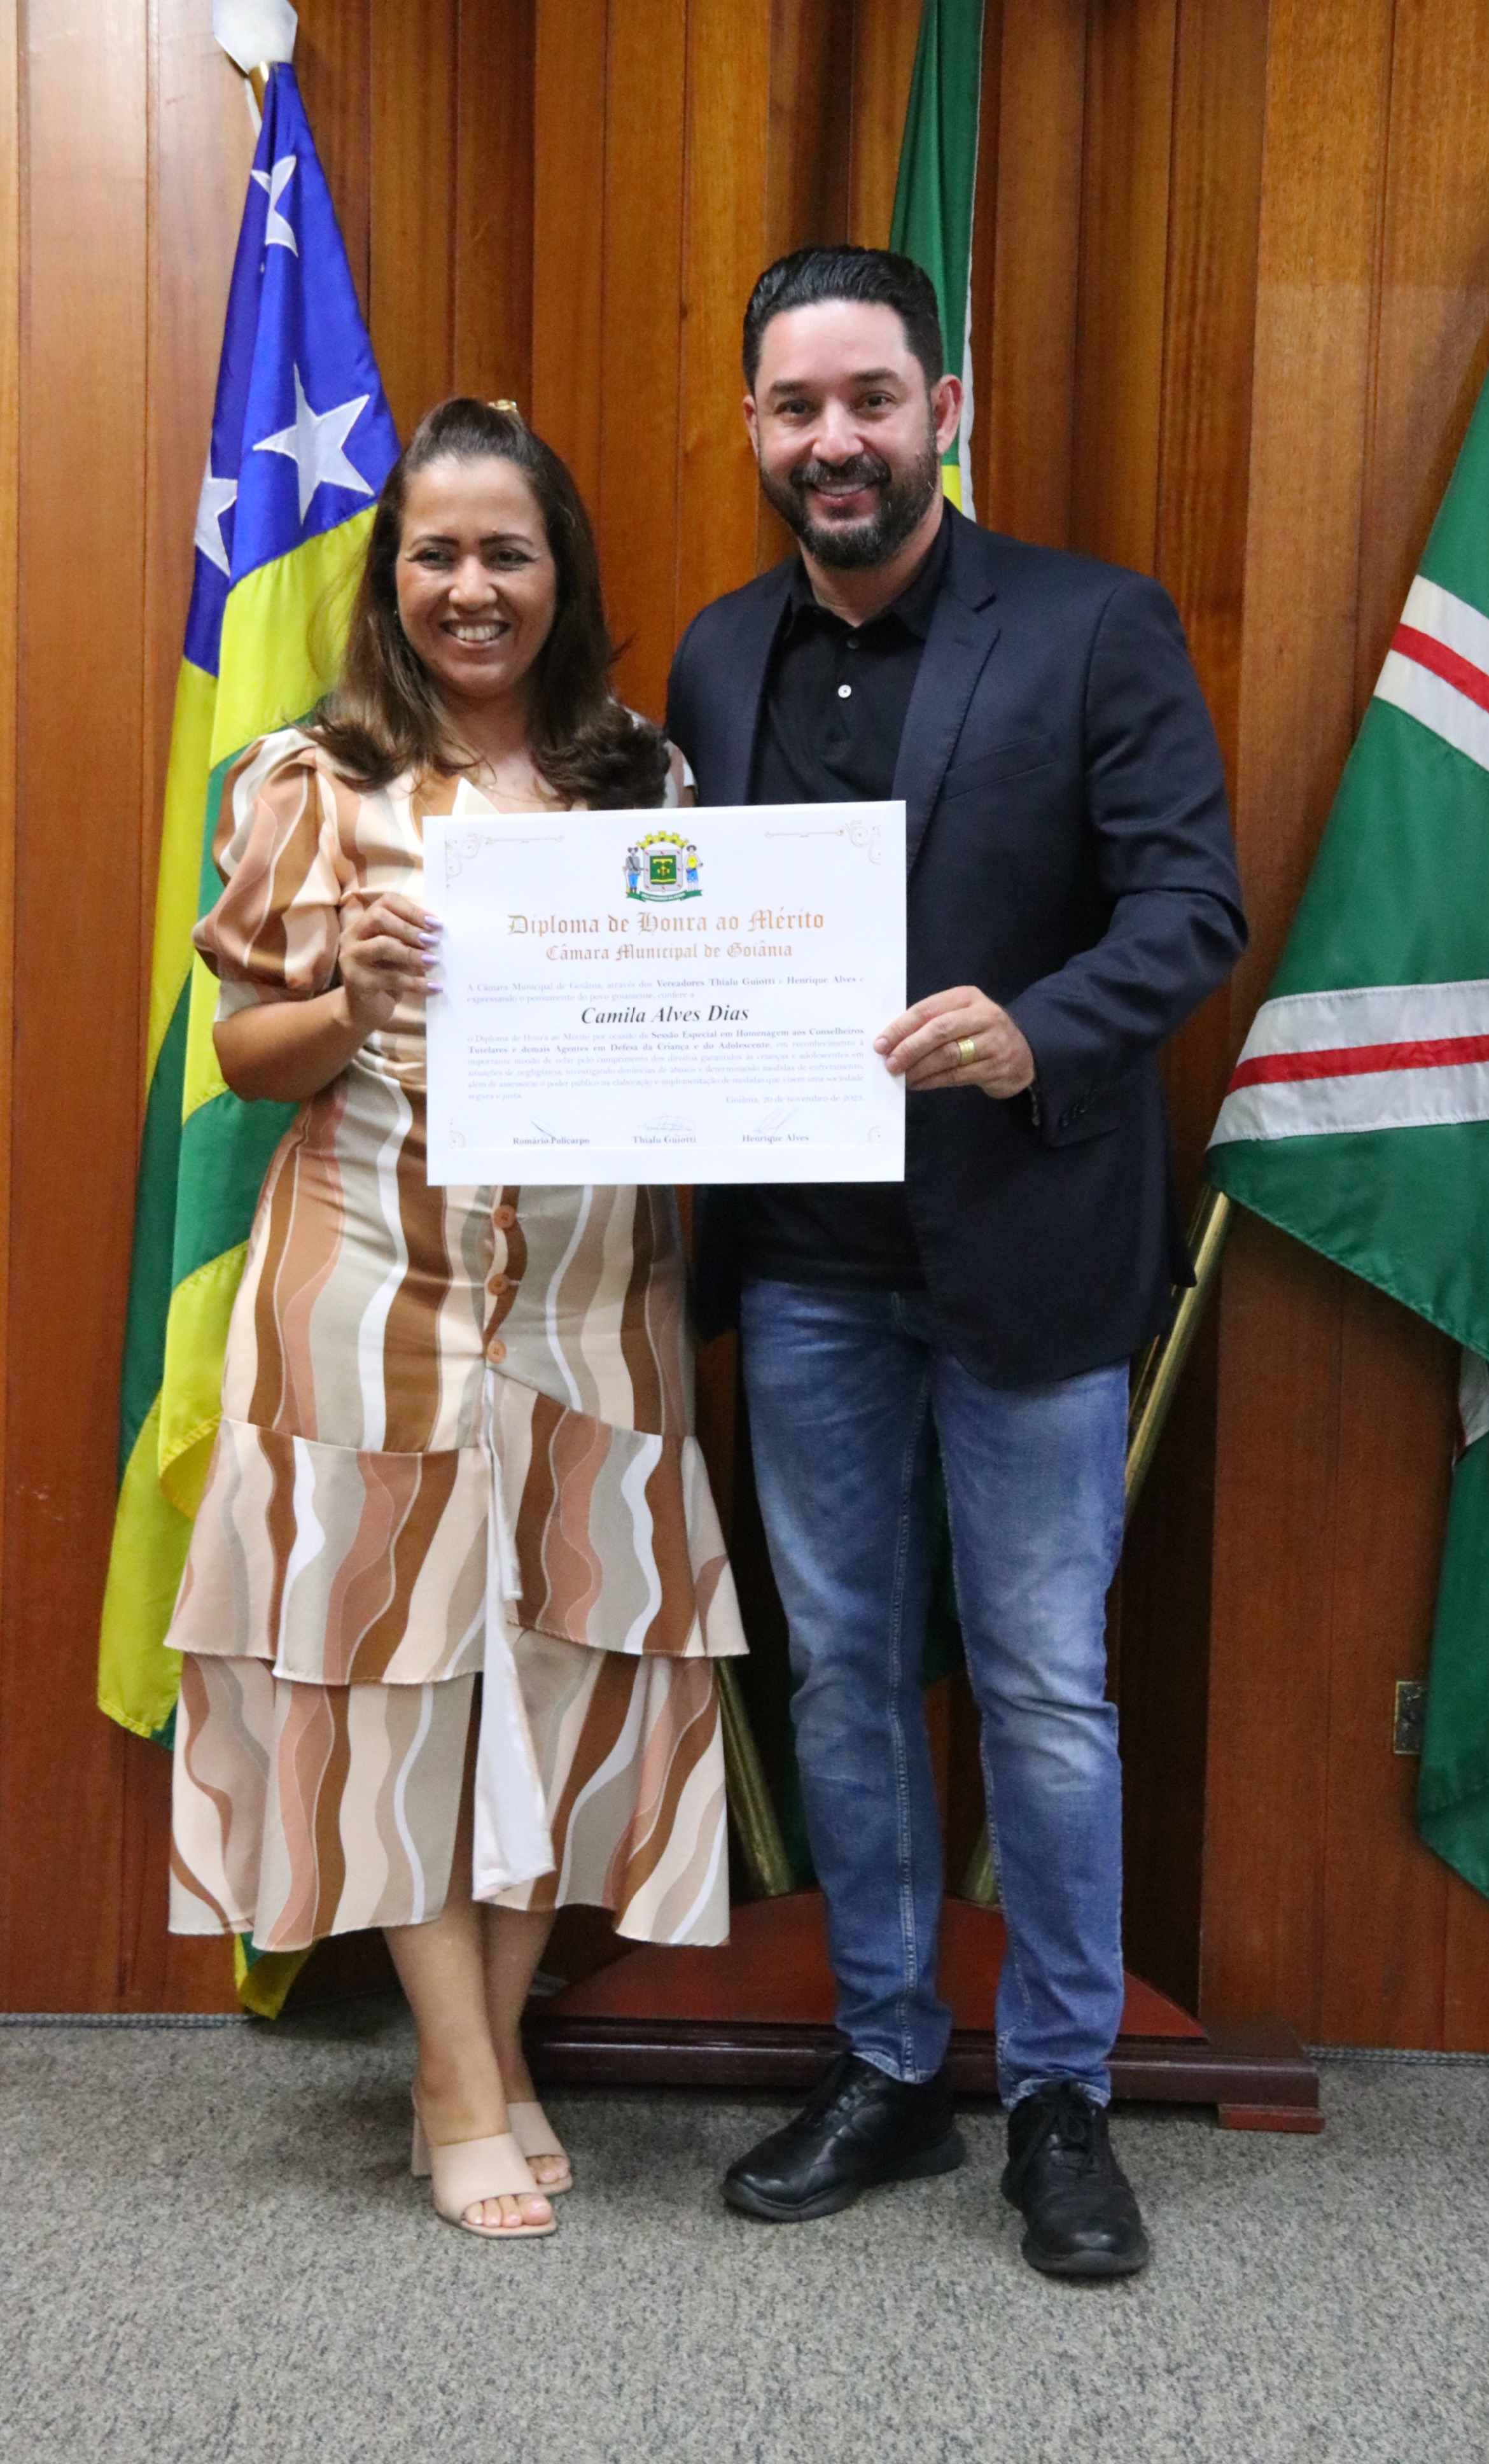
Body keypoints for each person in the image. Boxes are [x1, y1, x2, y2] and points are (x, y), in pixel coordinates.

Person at [666, 249, 1246, 2279]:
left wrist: (1037, 1028)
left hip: (1029, 1255)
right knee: (841, 1677)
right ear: (754, 428)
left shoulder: (1092, 625)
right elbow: (670, 921)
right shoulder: (715, 655)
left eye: (872, 399)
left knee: (1043, 1692)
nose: (836, 440)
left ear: (946, 408)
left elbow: (1192, 909)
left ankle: (1062, 2096)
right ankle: (891, 2061)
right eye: (797, 407)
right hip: (806, 1271)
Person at [165, 398, 746, 2239]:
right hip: (368, 1298)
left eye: (508, 551)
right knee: (390, 1683)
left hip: (595, 1304)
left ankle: (483, 2056)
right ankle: (456, 2076)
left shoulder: (643, 781)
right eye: (437, 554)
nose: (472, 587)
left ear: (560, 572)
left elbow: (712, 1025)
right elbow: (247, 1058)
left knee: (567, 1671)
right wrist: (346, 997)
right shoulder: (309, 778)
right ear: (389, 576)